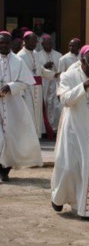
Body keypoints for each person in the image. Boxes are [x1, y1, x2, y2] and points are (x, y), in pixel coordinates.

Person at [50, 45, 89, 222]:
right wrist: (82, 87)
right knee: (68, 168)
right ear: (82, 61)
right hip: (72, 130)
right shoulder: (68, 76)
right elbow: (65, 100)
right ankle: (58, 197)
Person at [0, 31, 42, 182]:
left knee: (12, 137)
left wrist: (11, 87)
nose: (4, 45)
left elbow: (26, 81)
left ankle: (5, 170)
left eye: (6, 43)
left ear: (11, 44)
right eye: (1, 43)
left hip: (13, 105)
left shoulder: (18, 61)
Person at [17, 31, 56, 138]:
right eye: (33, 41)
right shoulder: (20, 56)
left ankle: (35, 137)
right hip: (27, 89)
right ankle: (27, 138)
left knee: (37, 115)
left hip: (37, 89)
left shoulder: (35, 54)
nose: (36, 43)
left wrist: (54, 75)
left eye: (36, 41)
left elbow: (41, 70)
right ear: (25, 41)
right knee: (28, 113)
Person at [37, 35, 62, 133]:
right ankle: (44, 130)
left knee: (56, 106)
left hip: (55, 83)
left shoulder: (58, 55)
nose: (49, 45)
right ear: (42, 44)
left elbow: (60, 70)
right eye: (46, 44)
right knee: (45, 104)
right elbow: (37, 69)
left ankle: (54, 129)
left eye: (50, 44)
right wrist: (44, 66)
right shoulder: (37, 55)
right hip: (44, 83)